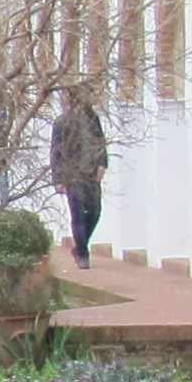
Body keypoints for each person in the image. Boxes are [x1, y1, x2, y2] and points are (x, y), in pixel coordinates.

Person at [50, 91, 109, 264]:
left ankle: (79, 246)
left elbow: (100, 142)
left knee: (95, 212)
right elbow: (55, 151)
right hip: (73, 175)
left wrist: (102, 163)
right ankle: (83, 255)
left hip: (91, 173)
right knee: (78, 215)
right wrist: (58, 179)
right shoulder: (61, 122)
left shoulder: (92, 119)